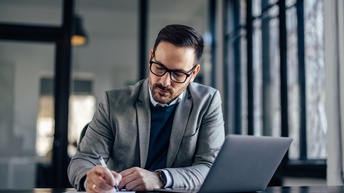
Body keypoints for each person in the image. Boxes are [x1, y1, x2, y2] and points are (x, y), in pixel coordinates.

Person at [67, 24, 225, 193]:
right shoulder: (113, 102)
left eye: (177, 74)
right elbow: (82, 161)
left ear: (193, 74)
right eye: (159, 68)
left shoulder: (207, 102)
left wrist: (160, 178)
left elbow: (211, 168)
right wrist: (88, 179)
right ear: (151, 57)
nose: (164, 82)